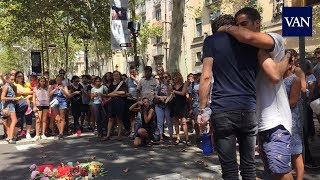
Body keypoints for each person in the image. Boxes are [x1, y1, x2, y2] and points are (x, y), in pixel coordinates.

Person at [219, 7, 293, 179]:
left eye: (244, 24)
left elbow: (274, 75)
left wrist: (227, 28)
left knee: (281, 173)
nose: (241, 28)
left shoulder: (272, 40)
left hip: (275, 121)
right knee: (272, 172)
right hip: (260, 122)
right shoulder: (248, 51)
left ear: (257, 23)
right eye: (238, 25)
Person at [200, 14, 259, 180]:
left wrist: (202, 108)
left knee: (229, 168)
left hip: (223, 109)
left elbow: (206, 76)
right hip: (248, 107)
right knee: (249, 165)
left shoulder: (211, 41)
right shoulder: (249, 40)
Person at [283, 55, 304, 180]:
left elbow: (293, 101)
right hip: (282, 118)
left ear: (291, 64)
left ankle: (300, 177)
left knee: (296, 152)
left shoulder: (295, 80)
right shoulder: (278, 80)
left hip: (292, 119)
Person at [49, 75, 73, 140]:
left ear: (61, 80)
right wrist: (55, 89)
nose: (58, 81)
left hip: (62, 102)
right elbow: (49, 94)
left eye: (60, 80)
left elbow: (68, 95)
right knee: (57, 118)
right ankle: (60, 131)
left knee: (62, 117)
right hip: (55, 103)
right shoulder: (52, 86)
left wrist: (63, 90)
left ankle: (61, 133)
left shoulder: (64, 86)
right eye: (57, 80)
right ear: (55, 80)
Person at [105, 71, 127, 141]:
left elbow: (123, 93)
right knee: (110, 118)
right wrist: (118, 93)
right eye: (114, 75)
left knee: (119, 119)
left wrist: (114, 93)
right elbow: (109, 94)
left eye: (117, 75)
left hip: (120, 102)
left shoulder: (123, 83)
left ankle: (119, 135)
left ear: (119, 76)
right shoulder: (111, 85)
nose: (116, 76)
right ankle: (108, 135)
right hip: (112, 102)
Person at [171, 72, 190, 146]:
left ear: (179, 77)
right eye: (173, 77)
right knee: (175, 123)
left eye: (175, 77)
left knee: (184, 122)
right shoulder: (172, 86)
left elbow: (183, 93)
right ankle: (178, 138)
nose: (174, 79)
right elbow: (169, 94)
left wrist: (174, 91)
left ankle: (187, 138)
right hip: (174, 104)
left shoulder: (184, 84)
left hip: (182, 105)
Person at [154, 72, 173, 143]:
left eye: (166, 77)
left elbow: (171, 94)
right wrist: (160, 97)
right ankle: (161, 137)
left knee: (169, 121)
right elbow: (155, 94)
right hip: (159, 105)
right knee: (160, 121)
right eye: (163, 77)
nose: (164, 79)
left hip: (167, 105)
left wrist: (165, 97)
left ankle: (171, 137)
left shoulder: (171, 85)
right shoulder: (158, 85)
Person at [1, 73, 19, 144]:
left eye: (13, 79)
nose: (13, 81)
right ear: (7, 79)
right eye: (11, 79)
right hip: (9, 105)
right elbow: (2, 97)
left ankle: (9, 136)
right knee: (14, 120)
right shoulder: (6, 86)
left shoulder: (11, 86)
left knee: (10, 121)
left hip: (11, 104)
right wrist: (13, 98)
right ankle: (10, 138)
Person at [14, 71, 33, 139]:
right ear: (16, 77)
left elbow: (34, 91)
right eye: (18, 76)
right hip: (20, 103)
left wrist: (28, 95)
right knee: (19, 119)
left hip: (29, 102)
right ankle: (15, 134)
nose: (20, 77)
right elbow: (20, 92)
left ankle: (28, 133)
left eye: (21, 76)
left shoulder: (27, 84)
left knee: (29, 118)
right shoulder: (14, 85)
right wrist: (28, 93)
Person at [32, 76, 50, 141]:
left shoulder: (47, 88)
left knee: (44, 120)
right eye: (41, 81)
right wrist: (34, 106)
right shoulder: (36, 88)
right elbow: (33, 98)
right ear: (39, 81)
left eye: (43, 81)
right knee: (38, 120)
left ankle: (43, 134)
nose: (42, 82)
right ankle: (37, 135)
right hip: (38, 104)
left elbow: (49, 95)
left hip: (46, 104)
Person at [126, 66, 139, 140]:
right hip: (130, 99)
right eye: (131, 72)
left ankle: (138, 130)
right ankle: (133, 130)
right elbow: (126, 88)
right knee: (131, 116)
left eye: (133, 72)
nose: (132, 73)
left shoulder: (139, 79)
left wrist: (135, 79)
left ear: (136, 72)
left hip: (137, 99)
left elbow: (140, 86)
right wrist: (127, 93)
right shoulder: (128, 80)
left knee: (138, 115)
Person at [188, 70, 201, 138]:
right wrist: (191, 107)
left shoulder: (206, 82)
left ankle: (206, 136)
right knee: (196, 121)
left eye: (199, 74)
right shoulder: (192, 84)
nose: (198, 76)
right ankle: (198, 135)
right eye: (197, 74)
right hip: (195, 105)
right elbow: (190, 97)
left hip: (206, 105)